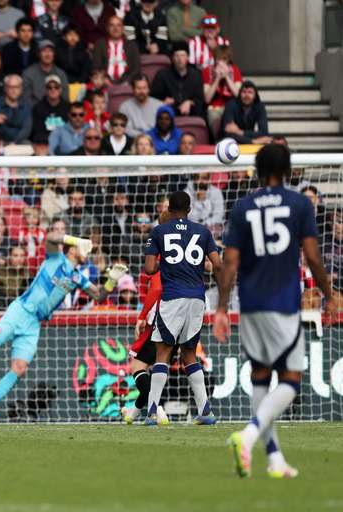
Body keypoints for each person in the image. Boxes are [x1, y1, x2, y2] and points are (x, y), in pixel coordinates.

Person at [214, 144, 336, 479]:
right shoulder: (299, 203)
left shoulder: (242, 206)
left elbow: (230, 262)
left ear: (257, 168)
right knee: (291, 381)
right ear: (288, 170)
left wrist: (222, 308)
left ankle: (274, 459)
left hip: (250, 304)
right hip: (283, 303)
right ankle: (249, 435)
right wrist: (329, 293)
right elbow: (312, 256)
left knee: (260, 377)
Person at [0, 230, 127, 424]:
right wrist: (77, 239)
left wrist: (111, 281)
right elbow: (51, 237)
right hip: (20, 310)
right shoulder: (55, 257)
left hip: (34, 323)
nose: (88, 251)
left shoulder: (77, 277)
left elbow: (98, 295)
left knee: (19, 367)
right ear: (72, 250)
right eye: (84, 247)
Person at [143, 190, 222, 426]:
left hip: (173, 297)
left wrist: (165, 261)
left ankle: (152, 411)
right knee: (189, 353)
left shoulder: (158, 232)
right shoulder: (203, 232)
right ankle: (205, 411)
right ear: (190, 209)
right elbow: (217, 265)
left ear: (168, 208)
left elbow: (149, 269)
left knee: (163, 353)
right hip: (198, 299)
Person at [121, 210, 169, 424]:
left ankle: (157, 410)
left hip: (161, 315)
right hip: (185, 312)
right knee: (154, 367)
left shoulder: (159, 246)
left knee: (137, 366)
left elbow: (156, 287)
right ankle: (133, 413)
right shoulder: (187, 245)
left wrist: (142, 316)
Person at [151, 41, 205, 118]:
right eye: (177, 55)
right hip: (169, 110)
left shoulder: (196, 75)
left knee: (199, 111)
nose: (180, 59)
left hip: (190, 110)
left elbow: (200, 99)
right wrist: (163, 102)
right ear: (172, 58)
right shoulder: (162, 75)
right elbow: (153, 98)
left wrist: (190, 102)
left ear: (188, 57)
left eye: (183, 55)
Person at [203, 45, 242, 133]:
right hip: (214, 108)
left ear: (228, 60)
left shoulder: (235, 70)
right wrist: (217, 79)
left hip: (232, 107)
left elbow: (238, 95)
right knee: (214, 116)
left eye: (224, 60)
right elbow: (207, 99)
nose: (221, 63)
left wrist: (227, 77)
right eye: (218, 59)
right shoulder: (207, 71)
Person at [91, 15, 140, 85]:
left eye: (118, 25)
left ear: (123, 28)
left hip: (127, 83)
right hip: (104, 83)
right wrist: (103, 79)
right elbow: (96, 66)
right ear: (107, 28)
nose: (115, 28)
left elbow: (136, 69)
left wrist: (126, 82)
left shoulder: (132, 45)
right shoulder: (100, 44)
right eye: (112, 25)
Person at [0, 74, 31, 144]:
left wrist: (14, 142)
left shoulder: (26, 106)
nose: (14, 90)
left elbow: (26, 129)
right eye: (10, 87)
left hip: (19, 142)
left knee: (27, 144)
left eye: (17, 87)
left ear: (21, 89)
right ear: (5, 88)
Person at [22, 39, 69, 105]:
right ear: (38, 54)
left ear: (54, 54)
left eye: (50, 51)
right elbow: (26, 99)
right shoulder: (28, 73)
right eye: (44, 51)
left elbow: (65, 98)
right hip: (36, 111)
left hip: (57, 110)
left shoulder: (61, 74)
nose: (48, 54)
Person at [31, 75, 68, 153]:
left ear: (61, 89)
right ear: (45, 90)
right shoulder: (37, 108)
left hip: (64, 143)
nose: (53, 90)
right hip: (44, 145)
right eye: (49, 87)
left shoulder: (68, 108)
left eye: (56, 87)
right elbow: (37, 131)